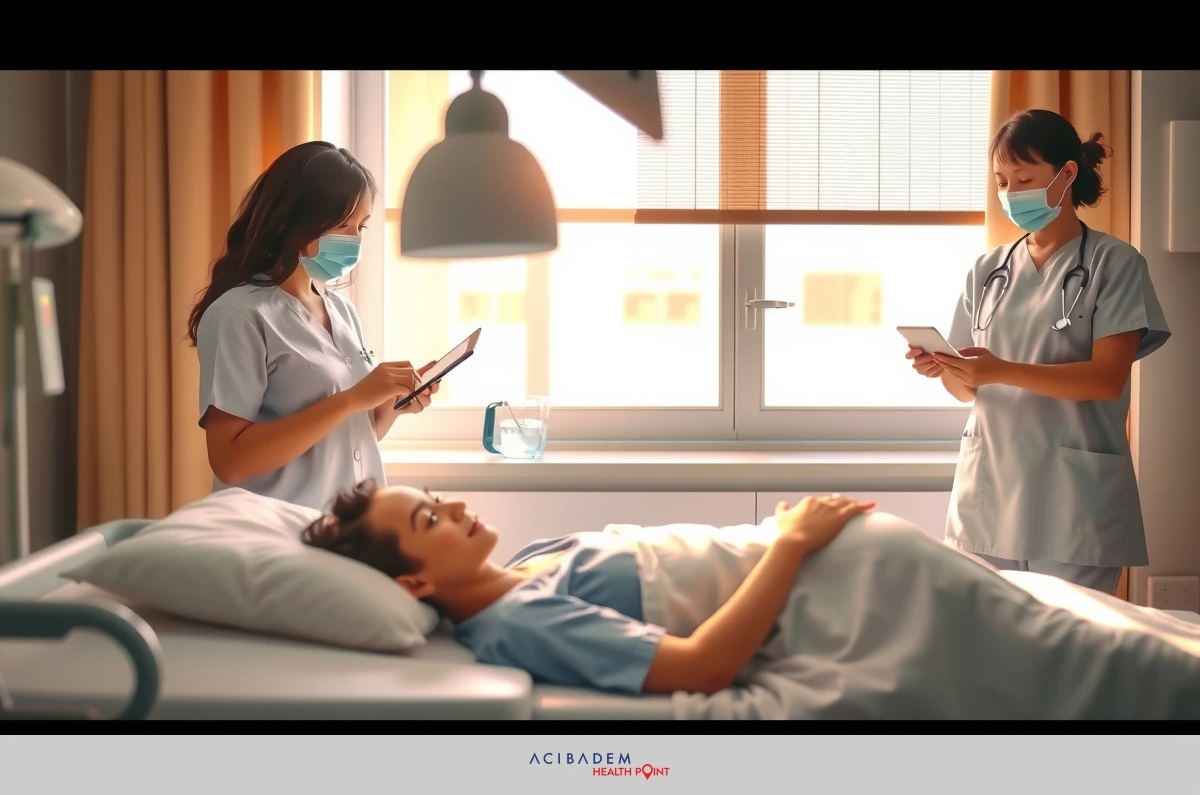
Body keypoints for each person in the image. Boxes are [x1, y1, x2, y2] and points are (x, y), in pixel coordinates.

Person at [905, 109, 1171, 595]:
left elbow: (1104, 379)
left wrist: (999, 369)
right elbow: (968, 390)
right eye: (1002, 182)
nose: (1011, 194)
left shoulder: (1115, 263)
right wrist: (945, 367)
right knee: (988, 650)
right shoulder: (987, 271)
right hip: (989, 494)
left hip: (1071, 499)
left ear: (1067, 173)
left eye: (1024, 178)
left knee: (1073, 652)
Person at [302, 479, 876, 696]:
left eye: (432, 499)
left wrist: (787, 530)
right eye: (430, 520)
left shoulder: (527, 561)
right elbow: (702, 667)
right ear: (415, 581)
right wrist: (791, 544)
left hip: (840, 553)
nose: (453, 505)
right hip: (837, 583)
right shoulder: (515, 623)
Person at [187, 141, 439, 511]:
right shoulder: (240, 315)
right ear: (293, 221)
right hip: (275, 534)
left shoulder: (341, 311)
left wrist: (391, 407)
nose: (353, 240)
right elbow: (231, 461)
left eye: (361, 227)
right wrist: (352, 399)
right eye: (342, 225)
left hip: (343, 530)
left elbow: (348, 441)